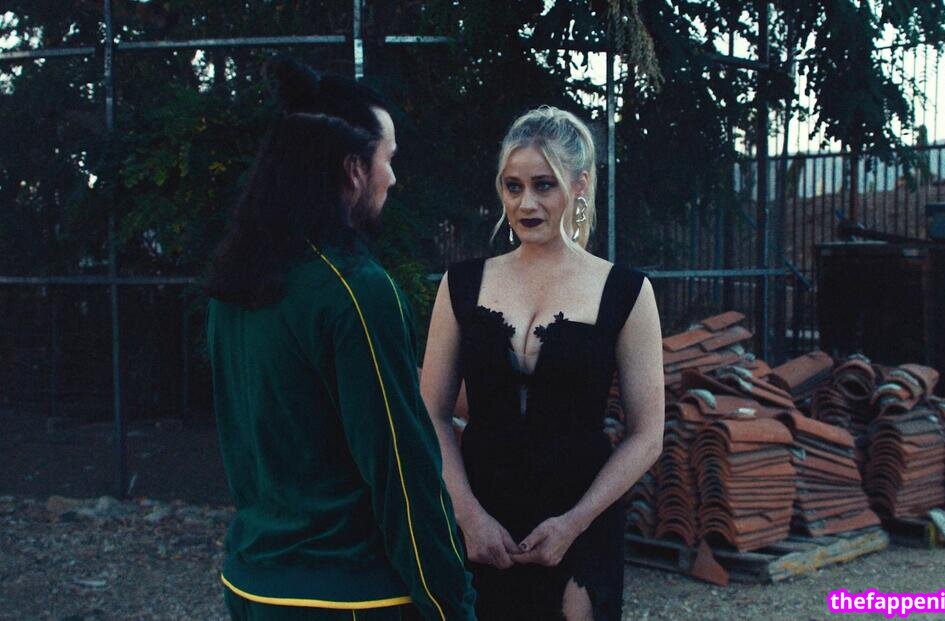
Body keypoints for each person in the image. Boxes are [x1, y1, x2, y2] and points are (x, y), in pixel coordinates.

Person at [205, 57, 476, 621]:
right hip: (348, 597)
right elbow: (401, 467)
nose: (393, 178)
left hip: (253, 585)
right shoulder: (355, 290)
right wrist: (451, 606)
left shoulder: (234, 284)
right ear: (354, 169)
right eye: (388, 159)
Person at [420, 106, 664, 620]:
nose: (525, 203)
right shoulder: (460, 284)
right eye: (513, 187)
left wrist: (575, 522)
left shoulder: (626, 291)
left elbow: (648, 435)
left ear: (579, 185)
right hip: (481, 515)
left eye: (543, 185)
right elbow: (431, 413)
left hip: (581, 515)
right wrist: (467, 515)